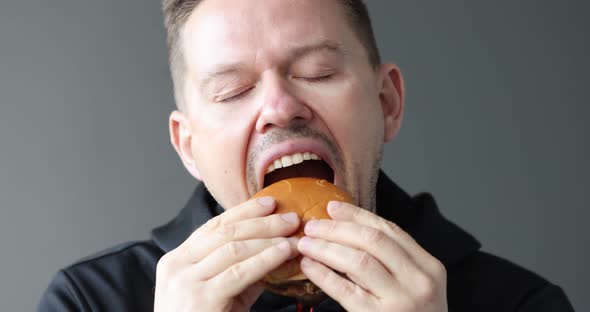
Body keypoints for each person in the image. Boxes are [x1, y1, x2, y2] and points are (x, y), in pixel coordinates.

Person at [38, 0, 575, 311]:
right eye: (231, 91)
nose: (279, 107)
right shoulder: (89, 300)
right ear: (189, 147)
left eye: (317, 72)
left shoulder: (521, 303)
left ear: (386, 103)